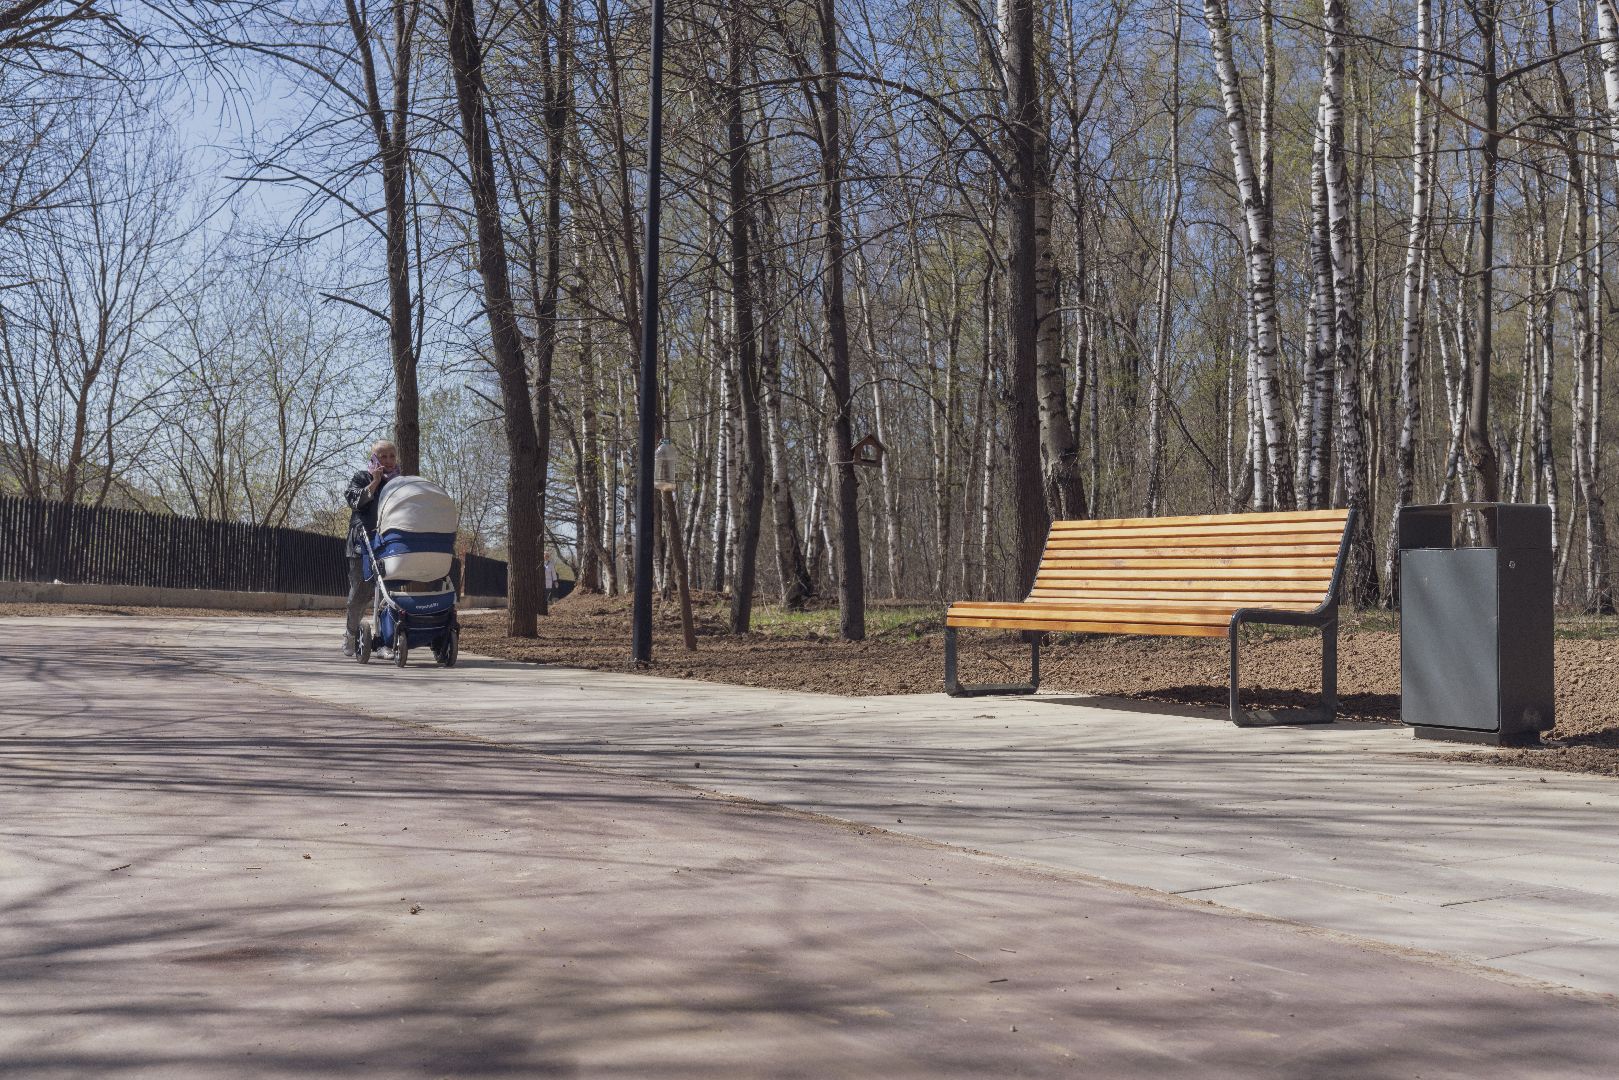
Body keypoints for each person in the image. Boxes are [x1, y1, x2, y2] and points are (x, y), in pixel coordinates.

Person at [343, 440, 400, 655]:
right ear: (374, 459)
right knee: (361, 592)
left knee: (389, 593)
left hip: (389, 543)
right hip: (362, 542)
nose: (388, 461)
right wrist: (374, 483)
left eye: (391, 456)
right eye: (383, 457)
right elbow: (354, 501)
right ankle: (350, 634)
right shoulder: (361, 477)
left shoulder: (399, 482)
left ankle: (384, 641)